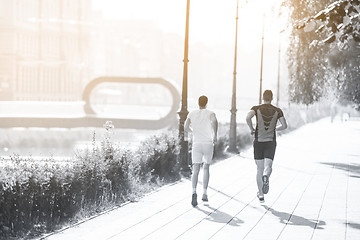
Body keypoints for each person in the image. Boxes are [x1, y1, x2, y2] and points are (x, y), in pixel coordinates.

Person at [246, 90, 287, 203]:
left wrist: (251, 129)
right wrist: (275, 129)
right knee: (267, 166)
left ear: (263, 97)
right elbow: (284, 125)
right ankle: (266, 176)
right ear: (272, 98)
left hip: (258, 141)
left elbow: (247, 118)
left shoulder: (256, 108)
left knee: (259, 168)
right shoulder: (278, 111)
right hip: (270, 142)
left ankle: (261, 195)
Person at [185, 95, 218, 207]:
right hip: (208, 143)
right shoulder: (211, 113)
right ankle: (204, 193)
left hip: (197, 143)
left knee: (195, 170)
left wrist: (193, 132)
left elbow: (185, 127)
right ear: (206, 103)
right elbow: (215, 122)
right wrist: (215, 135)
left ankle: (194, 191)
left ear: (198, 103)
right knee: (206, 167)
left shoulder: (192, 113)